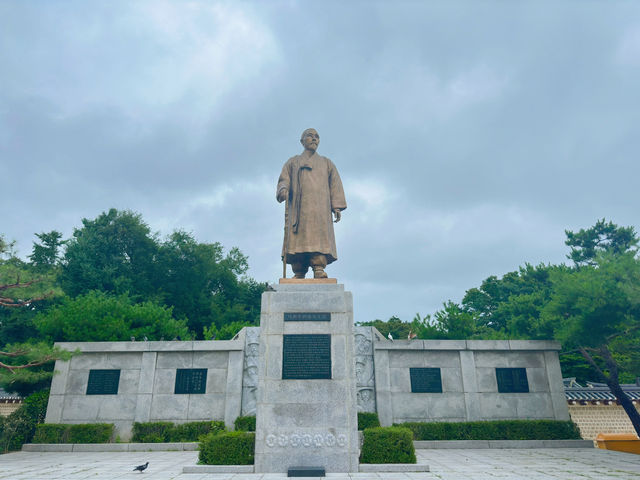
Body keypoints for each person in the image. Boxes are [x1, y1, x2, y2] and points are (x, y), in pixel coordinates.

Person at [277, 128, 346, 279]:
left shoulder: (327, 163)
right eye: (310, 136)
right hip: (298, 209)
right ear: (302, 141)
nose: (314, 139)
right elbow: (284, 179)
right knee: (298, 240)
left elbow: (335, 184)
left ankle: (318, 268)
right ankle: (299, 270)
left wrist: (336, 206)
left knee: (318, 239)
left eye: (317, 137)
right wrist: (283, 189)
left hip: (320, 210)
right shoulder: (293, 162)